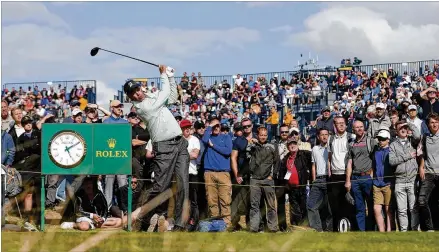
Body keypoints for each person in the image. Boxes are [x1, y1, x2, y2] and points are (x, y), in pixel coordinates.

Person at [123, 65, 189, 231]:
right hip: (164, 146)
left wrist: (170, 77)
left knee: (182, 183)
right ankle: (142, 219)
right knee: (161, 187)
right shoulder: (141, 107)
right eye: (133, 93)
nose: (137, 93)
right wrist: (162, 75)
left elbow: (172, 97)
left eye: (137, 89)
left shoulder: (152, 96)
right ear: (131, 97)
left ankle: (180, 225)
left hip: (180, 142)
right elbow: (165, 93)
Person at [389, 121, 420, 232]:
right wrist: (407, 156)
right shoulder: (393, 145)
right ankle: (404, 232)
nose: (403, 130)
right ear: (396, 131)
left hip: (412, 179)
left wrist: (409, 124)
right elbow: (392, 161)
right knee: (402, 210)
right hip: (399, 181)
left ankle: (415, 230)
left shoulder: (413, 141)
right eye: (400, 128)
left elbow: (417, 134)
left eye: (405, 128)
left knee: (413, 209)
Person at [248, 127, 280, 233]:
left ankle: (273, 227)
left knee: (271, 205)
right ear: (257, 135)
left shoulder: (272, 146)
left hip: (268, 179)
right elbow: (246, 153)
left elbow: (277, 162)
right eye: (261, 135)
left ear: (267, 135)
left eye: (265, 135)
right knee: (254, 205)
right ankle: (254, 228)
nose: (263, 137)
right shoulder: (253, 146)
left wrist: (272, 176)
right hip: (255, 179)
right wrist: (252, 143)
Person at [307, 128, 333, 232]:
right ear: (318, 137)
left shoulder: (331, 147)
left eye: (326, 134)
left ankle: (329, 229)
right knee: (311, 205)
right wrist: (314, 180)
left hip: (329, 179)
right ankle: (317, 229)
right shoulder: (315, 149)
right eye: (322, 134)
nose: (324, 136)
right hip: (318, 179)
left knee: (330, 208)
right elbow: (314, 165)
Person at [372, 129, 393, 232]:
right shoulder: (376, 151)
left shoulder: (391, 151)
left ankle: (389, 231)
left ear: (388, 140)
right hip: (377, 184)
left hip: (388, 183)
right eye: (379, 139)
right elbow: (374, 167)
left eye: (383, 139)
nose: (381, 141)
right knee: (376, 209)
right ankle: (381, 231)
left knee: (388, 209)